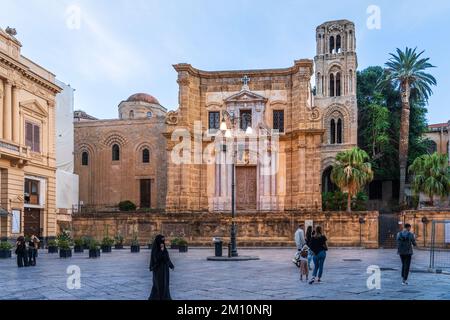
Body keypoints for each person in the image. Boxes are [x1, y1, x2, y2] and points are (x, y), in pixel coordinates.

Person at [149, 235, 174, 300]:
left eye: (163, 240)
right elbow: (157, 259)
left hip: (165, 270)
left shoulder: (164, 248)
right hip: (158, 270)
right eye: (161, 240)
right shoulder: (155, 249)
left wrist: (171, 265)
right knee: (158, 285)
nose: (162, 242)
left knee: (165, 284)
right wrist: (161, 251)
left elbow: (167, 257)